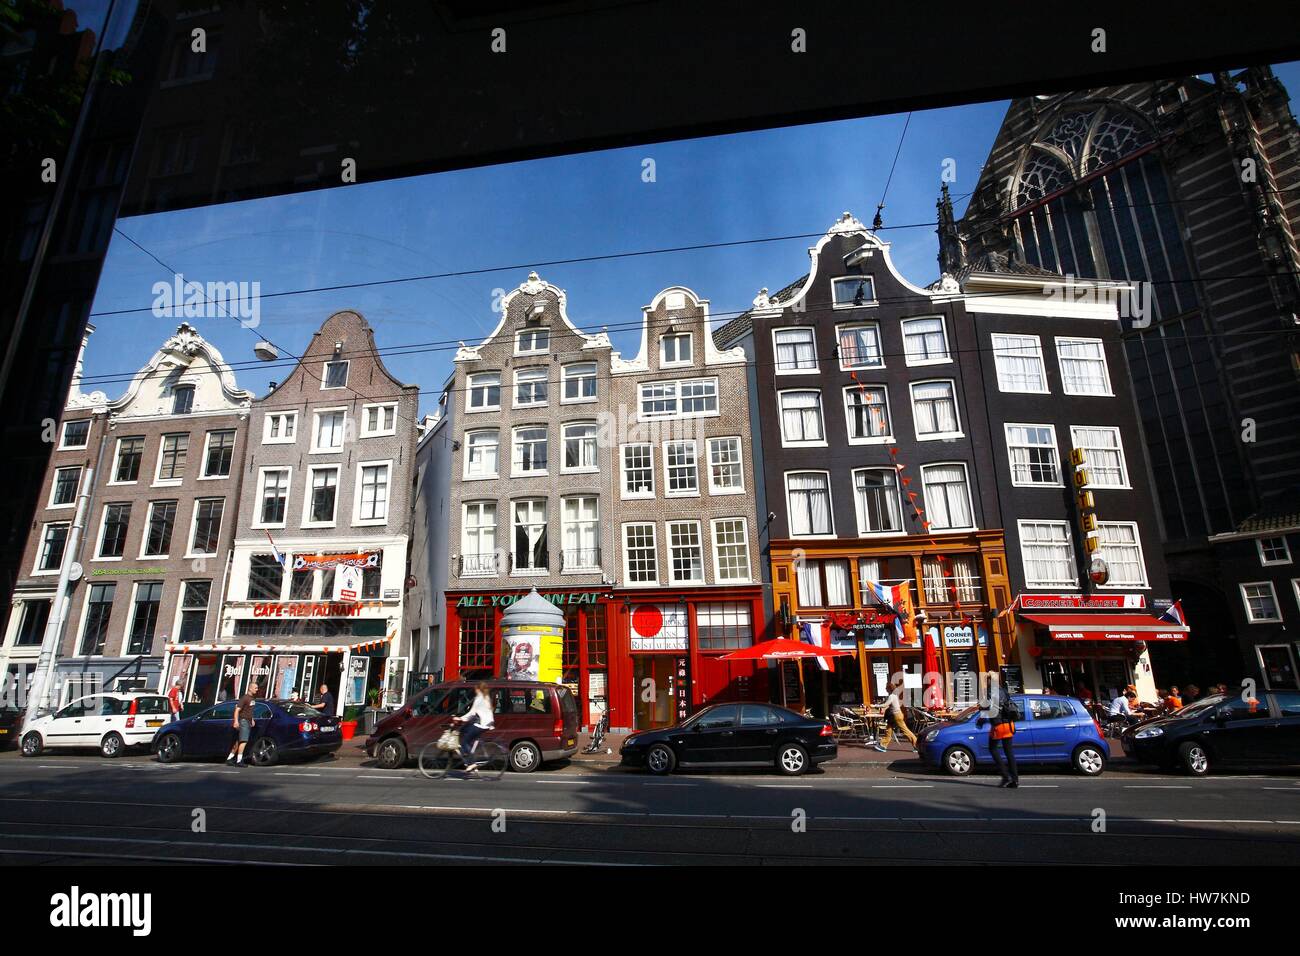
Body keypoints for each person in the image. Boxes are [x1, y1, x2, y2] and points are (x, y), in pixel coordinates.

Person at [978, 680, 1019, 788]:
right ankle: (1015, 780)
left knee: (992, 749)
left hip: (998, 726)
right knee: (1009, 752)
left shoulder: (989, 692)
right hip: (1009, 724)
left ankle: (1005, 776)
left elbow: (985, 708)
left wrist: (981, 719)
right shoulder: (1004, 691)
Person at [453, 682, 495, 774]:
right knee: (463, 730)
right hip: (488, 724)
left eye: (476, 689)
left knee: (464, 741)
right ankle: (468, 753)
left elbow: (472, 713)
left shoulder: (479, 699)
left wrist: (460, 718)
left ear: (479, 689)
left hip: (481, 724)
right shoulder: (486, 697)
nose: (475, 691)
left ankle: (472, 762)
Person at [872, 681, 917, 753]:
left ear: (889, 688)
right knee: (888, 730)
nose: (885, 688)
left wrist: (875, 706)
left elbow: (885, 705)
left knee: (905, 731)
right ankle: (883, 745)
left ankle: (917, 745)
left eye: (886, 687)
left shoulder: (891, 696)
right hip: (896, 715)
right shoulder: (894, 695)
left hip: (896, 716)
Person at [227, 682, 259, 766]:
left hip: (248, 720)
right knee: (244, 740)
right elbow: (237, 710)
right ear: (250, 688)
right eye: (255, 688)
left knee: (239, 741)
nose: (257, 689)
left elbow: (249, 710)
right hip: (243, 721)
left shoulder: (252, 699)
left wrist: (252, 719)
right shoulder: (244, 698)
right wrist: (236, 721)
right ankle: (239, 761)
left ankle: (230, 758)